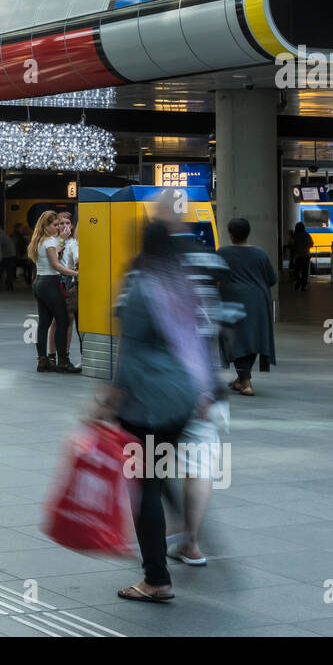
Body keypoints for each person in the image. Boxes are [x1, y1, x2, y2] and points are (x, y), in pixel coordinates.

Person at [95, 220, 214, 604]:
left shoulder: (140, 287)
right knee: (158, 474)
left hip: (148, 402)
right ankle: (188, 535)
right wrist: (204, 391)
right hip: (181, 397)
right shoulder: (181, 284)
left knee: (144, 488)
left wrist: (109, 402)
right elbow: (198, 341)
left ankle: (155, 579)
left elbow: (128, 357)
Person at [216, 217, 277, 398]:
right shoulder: (260, 254)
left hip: (231, 301)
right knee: (252, 340)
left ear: (231, 234)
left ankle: (246, 383)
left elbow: (213, 277)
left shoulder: (223, 253)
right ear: (248, 233)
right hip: (258, 302)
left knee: (235, 340)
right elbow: (272, 279)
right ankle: (240, 379)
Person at [28, 211, 80, 373]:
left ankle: (43, 361)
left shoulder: (38, 241)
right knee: (63, 321)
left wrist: (62, 240)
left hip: (39, 282)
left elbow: (54, 252)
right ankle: (63, 361)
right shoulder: (49, 241)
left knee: (44, 323)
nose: (58, 228)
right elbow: (56, 265)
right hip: (51, 283)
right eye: (55, 225)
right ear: (46, 226)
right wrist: (76, 273)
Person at [48, 214, 81, 368]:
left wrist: (77, 264)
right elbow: (52, 258)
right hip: (55, 281)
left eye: (68, 223)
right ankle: (52, 355)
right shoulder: (52, 242)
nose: (64, 226)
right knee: (56, 320)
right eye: (61, 223)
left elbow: (77, 257)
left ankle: (64, 354)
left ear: (72, 226)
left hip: (68, 282)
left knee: (68, 319)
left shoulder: (74, 242)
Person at [291, 221, 313, 290]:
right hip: (306, 256)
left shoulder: (294, 235)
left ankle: (298, 282)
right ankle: (303, 286)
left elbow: (291, 244)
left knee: (296, 271)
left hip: (297, 256)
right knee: (305, 272)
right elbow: (311, 244)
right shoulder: (307, 235)